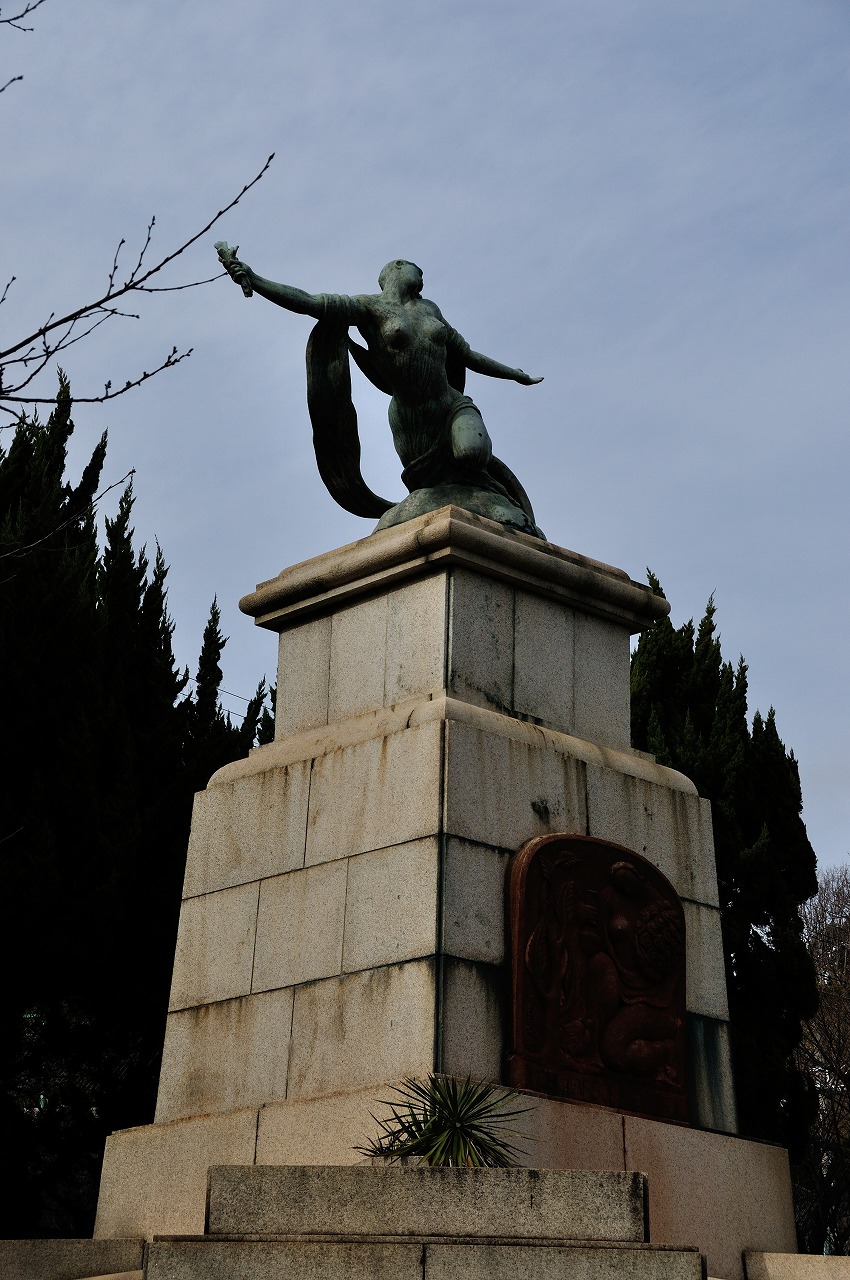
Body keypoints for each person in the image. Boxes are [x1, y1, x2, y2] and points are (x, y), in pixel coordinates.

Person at [215, 248, 544, 535]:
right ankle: (476, 499)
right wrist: (256, 280)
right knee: (431, 483)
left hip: (451, 405)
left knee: (472, 453)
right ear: (398, 268)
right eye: (418, 269)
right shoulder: (367, 307)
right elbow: (311, 303)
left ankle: (492, 497)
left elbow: (467, 354)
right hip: (410, 418)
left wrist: (513, 374)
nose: (423, 277)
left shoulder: (430, 309)